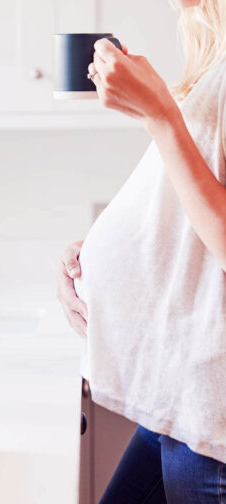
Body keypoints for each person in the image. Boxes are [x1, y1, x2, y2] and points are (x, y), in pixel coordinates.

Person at [57, 0, 226, 502]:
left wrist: (159, 114)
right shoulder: (214, 56)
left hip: (211, 406)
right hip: (183, 387)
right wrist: (104, 251)